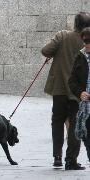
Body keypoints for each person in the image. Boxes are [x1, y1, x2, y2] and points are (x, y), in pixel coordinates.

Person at [41, 12, 90, 170]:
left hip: (60, 87)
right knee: (75, 124)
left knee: (57, 121)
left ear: (75, 23)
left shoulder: (62, 36)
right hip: (78, 91)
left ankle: (57, 157)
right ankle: (71, 160)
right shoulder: (86, 40)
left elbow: (45, 50)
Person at [69, 27, 90, 164]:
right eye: (85, 41)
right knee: (88, 141)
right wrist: (80, 92)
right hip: (86, 108)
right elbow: (72, 81)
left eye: (89, 41)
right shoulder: (80, 56)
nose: (86, 44)